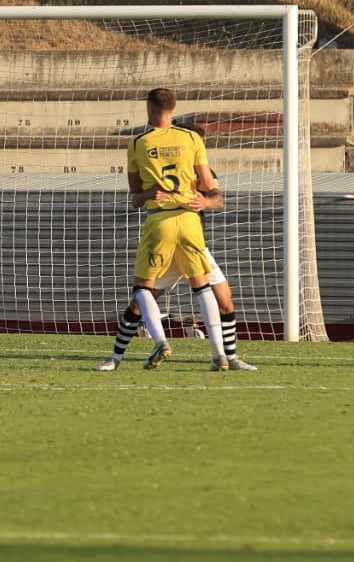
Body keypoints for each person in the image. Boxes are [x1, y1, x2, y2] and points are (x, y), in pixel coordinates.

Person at [96, 130, 257, 372]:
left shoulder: (203, 173)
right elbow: (138, 196)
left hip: (195, 245)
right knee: (140, 303)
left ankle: (230, 357)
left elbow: (217, 198)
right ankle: (115, 358)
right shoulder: (164, 168)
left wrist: (206, 202)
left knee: (225, 301)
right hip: (171, 243)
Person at [120, 88, 228, 371]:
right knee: (203, 287)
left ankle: (154, 342)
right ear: (174, 108)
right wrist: (207, 199)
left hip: (161, 221)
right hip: (191, 222)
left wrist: (150, 193)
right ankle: (220, 353)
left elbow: (135, 195)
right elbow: (209, 184)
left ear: (149, 108)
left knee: (142, 289)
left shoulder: (139, 142)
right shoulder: (192, 138)